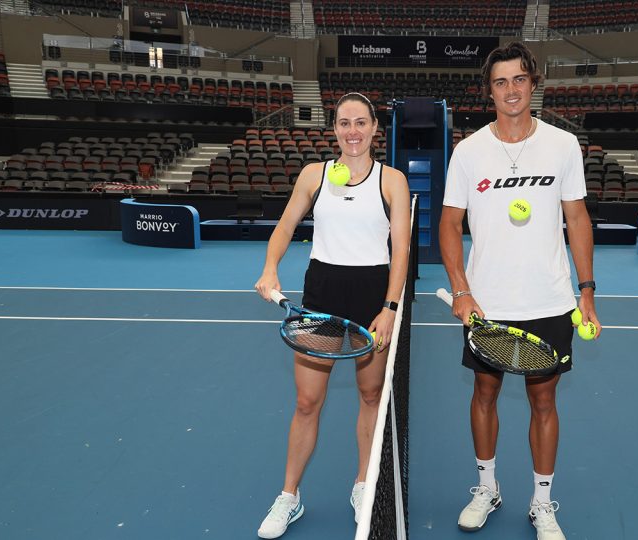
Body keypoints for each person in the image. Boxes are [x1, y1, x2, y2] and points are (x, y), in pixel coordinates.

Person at [439, 42, 602, 540]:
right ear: (489, 91)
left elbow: (577, 218)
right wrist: (461, 290)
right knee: (484, 392)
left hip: (550, 300)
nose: (511, 90)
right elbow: (448, 225)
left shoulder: (562, 146)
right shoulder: (468, 152)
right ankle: (486, 487)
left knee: (544, 401)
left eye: (519, 80)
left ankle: (543, 502)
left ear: (533, 84)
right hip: (487, 303)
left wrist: (587, 290)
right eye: (500, 82)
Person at [253, 92, 412, 539]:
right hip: (322, 292)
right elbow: (285, 226)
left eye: (361, 123)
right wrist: (270, 268)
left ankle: (362, 483)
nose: (353, 132)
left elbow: (400, 249)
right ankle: (290, 495)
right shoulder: (313, 174)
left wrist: (389, 307)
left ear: (376, 128)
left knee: (369, 395)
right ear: (335, 128)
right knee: (307, 401)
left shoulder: (392, 181)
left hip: (372, 297)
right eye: (344, 123)